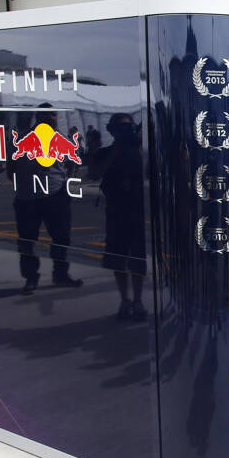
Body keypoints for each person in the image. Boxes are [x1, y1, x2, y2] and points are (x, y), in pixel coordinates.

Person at [9, 104, 84, 294]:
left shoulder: (62, 138)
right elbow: (11, 168)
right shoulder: (23, 138)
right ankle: (30, 278)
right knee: (27, 241)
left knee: (61, 238)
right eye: (46, 114)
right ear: (38, 116)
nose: (51, 118)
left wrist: (64, 183)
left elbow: (72, 165)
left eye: (53, 114)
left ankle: (61, 275)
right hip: (28, 198)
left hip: (56, 195)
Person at [91, 113, 147, 320]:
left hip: (137, 212)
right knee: (117, 259)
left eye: (127, 129)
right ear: (112, 131)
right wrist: (116, 151)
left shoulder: (139, 151)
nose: (124, 133)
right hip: (116, 212)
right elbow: (95, 173)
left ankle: (138, 300)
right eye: (120, 129)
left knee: (137, 260)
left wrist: (137, 145)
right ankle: (125, 299)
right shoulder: (106, 152)